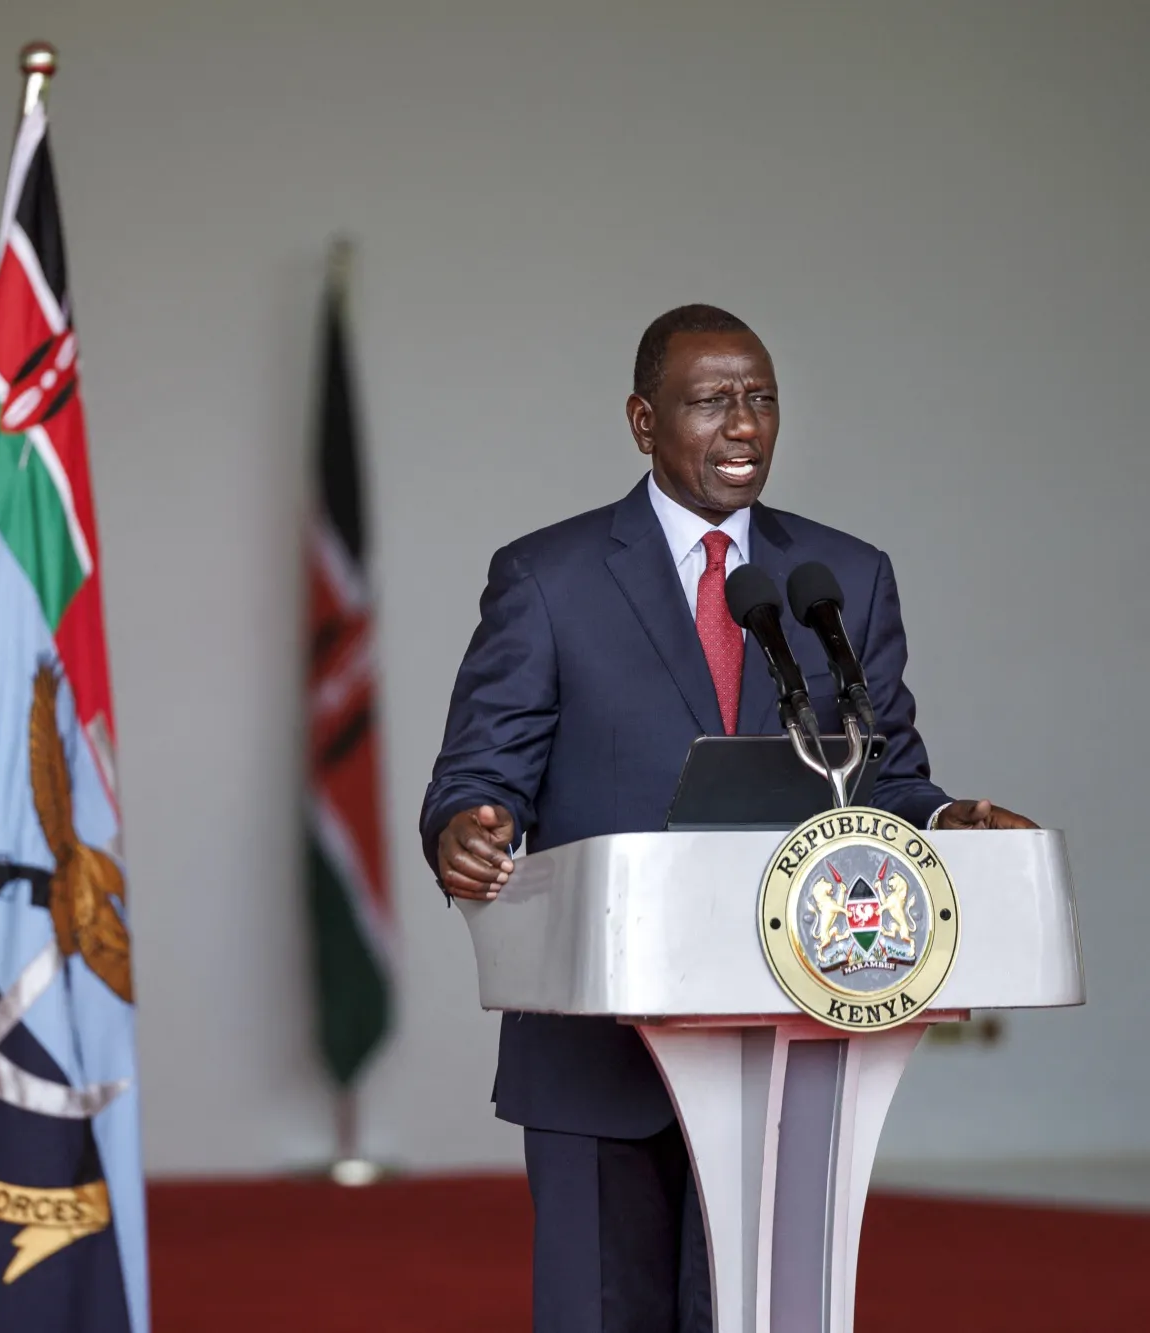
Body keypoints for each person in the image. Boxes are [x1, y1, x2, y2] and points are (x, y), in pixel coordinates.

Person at [419, 304, 1034, 1333]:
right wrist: (464, 827)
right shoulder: (545, 578)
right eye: (709, 401)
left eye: (758, 398)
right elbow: (480, 773)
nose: (741, 425)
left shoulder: (840, 579)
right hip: (594, 1047)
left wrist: (945, 820)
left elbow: (881, 780)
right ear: (640, 420)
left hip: (788, 1035)